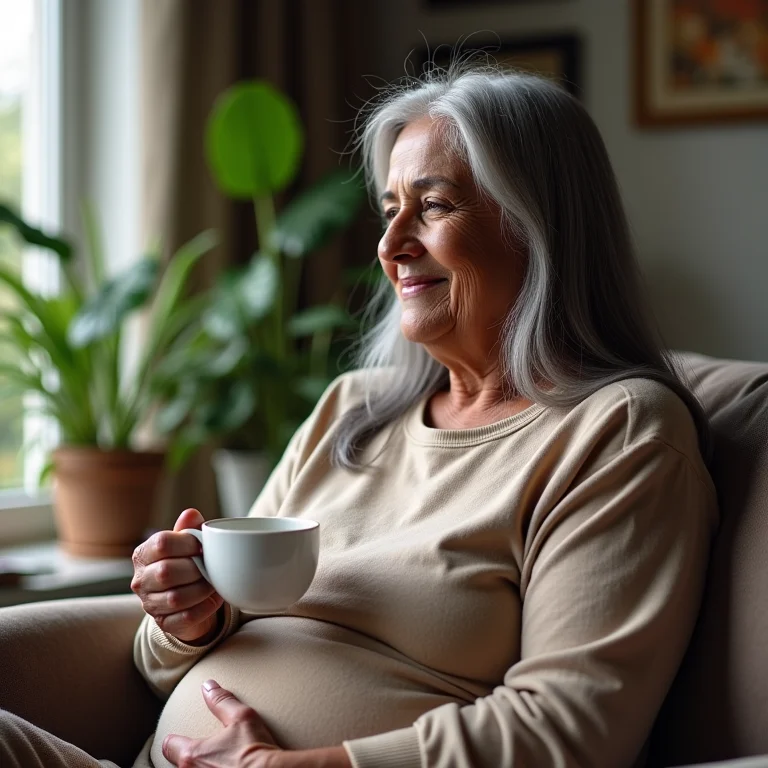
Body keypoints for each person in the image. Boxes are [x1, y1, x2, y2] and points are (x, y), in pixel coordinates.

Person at [0, 65, 717, 768]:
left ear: (541, 227)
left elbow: (572, 730)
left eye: (433, 207)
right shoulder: (353, 409)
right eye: (389, 208)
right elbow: (163, 670)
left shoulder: (618, 432)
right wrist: (186, 620)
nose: (390, 244)